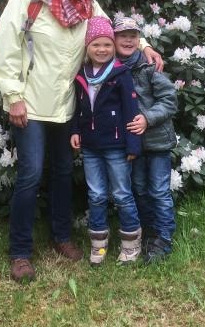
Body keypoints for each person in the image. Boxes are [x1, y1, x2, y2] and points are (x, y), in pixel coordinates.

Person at [0, 0, 163, 282]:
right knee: (31, 174)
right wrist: (13, 97)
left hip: (68, 105)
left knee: (62, 173)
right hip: (31, 104)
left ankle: (60, 237)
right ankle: (21, 252)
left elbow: (111, 30)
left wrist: (144, 45)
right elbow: (6, 48)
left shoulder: (87, 3)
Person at [70, 16, 142, 264]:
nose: (102, 50)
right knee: (97, 195)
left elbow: (131, 110)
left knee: (122, 194)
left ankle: (131, 244)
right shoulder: (82, 74)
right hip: (90, 147)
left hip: (117, 147)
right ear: (87, 48)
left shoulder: (120, 74)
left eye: (107, 45)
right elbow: (78, 107)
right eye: (96, 45)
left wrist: (133, 143)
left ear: (114, 47)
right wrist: (75, 131)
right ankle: (98, 244)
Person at [115, 16, 178, 264]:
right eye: (123, 36)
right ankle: (149, 232)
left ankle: (163, 238)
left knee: (160, 191)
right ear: (114, 39)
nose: (128, 40)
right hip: (134, 146)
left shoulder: (150, 67)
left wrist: (147, 118)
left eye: (133, 36)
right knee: (139, 189)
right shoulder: (112, 69)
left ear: (139, 40)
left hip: (158, 143)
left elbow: (169, 100)